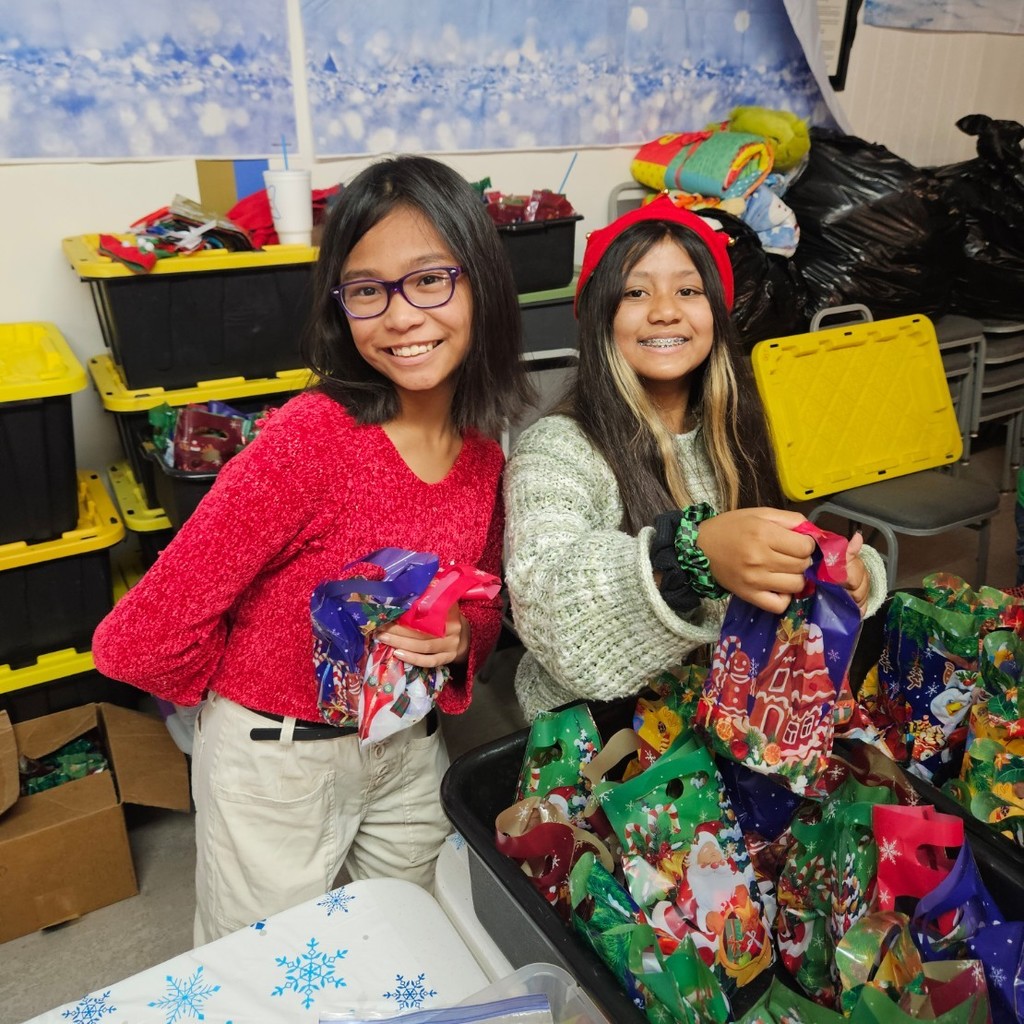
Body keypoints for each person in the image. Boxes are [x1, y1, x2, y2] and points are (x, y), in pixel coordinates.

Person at [92, 154, 532, 943]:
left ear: (482, 286)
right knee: (270, 976)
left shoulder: (484, 457)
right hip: (276, 765)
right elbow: (138, 638)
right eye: (368, 290)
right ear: (342, 309)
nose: (401, 316)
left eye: (430, 279)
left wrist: (463, 635)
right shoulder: (311, 440)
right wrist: (250, 703)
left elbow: (480, 607)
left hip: (407, 747)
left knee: (412, 946)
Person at [503, 194, 887, 722]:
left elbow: (781, 558)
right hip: (600, 742)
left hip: (726, 717)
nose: (665, 311)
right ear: (599, 317)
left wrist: (846, 574)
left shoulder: (738, 431)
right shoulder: (557, 449)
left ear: (717, 313)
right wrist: (689, 554)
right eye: (636, 292)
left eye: (688, 290)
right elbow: (551, 608)